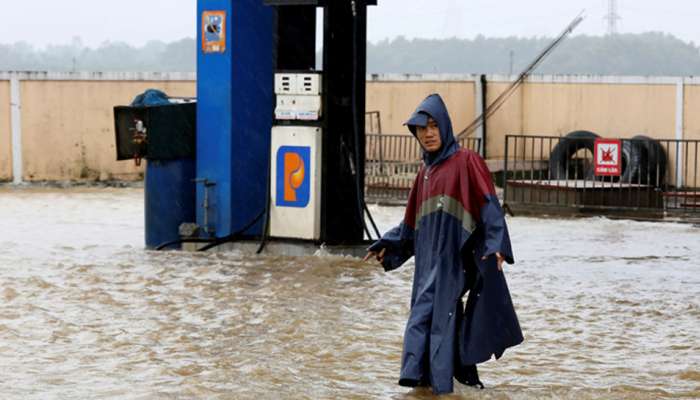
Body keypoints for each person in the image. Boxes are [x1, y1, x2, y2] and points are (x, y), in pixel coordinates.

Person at [364, 93, 523, 395]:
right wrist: (387, 244)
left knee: (430, 320)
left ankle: (436, 386)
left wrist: (497, 244)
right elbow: (410, 227)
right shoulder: (424, 174)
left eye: (434, 125)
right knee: (438, 321)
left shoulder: (467, 162)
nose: (429, 133)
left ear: (446, 126)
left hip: (454, 263)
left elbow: (490, 206)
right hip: (426, 267)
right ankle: (450, 384)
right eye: (422, 128)